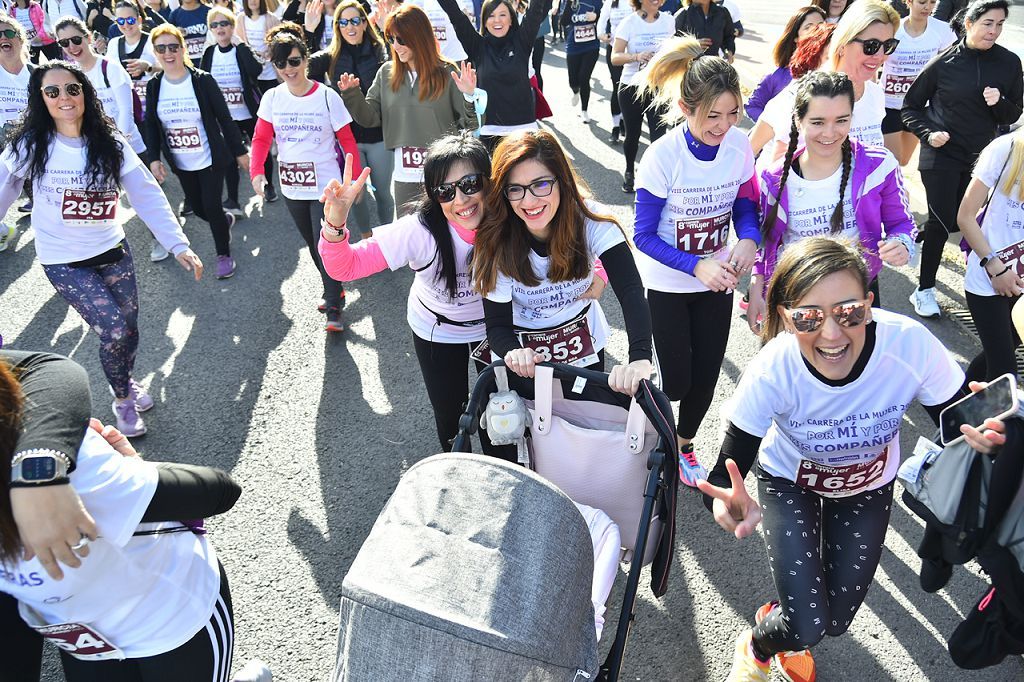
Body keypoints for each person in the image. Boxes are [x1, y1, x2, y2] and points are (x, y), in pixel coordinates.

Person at [697, 237, 965, 682]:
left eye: (849, 312)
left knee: (835, 621)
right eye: (808, 318)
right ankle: (760, 645)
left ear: (870, 304)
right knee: (808, 624)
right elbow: (724, 476)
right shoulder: (773, 368)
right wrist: (723, 504)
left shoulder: (909, 345)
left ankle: (785, 613)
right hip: (791, 481)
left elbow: (960, 426)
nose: (832, 334)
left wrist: (985, 440)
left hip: (867, 483)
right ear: (785, 317)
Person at [0, 351, 259, 681]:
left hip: (173, 623)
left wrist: (41, 474)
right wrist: (134, 472)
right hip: (87, 642)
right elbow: (216, 491)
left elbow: (222, 491)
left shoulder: (77, 467)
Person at [1, 61, 203, 434]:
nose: (64, 98)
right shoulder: (30, 145)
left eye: (72, 89)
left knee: (129, 328)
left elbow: (145, 193)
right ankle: (123, 401)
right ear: (40, 98)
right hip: (64, 260)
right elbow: (2, 189)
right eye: (53, 91)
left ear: (85, 94)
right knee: (113, 330)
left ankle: (123, 380)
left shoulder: (109, 142)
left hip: (112, 250)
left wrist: (178, 244)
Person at [319, 134, 506, 450]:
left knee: (501, 415)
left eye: (471, 183)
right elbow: (345, 268)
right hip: (438, 329)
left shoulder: (510, 216)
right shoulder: (418, 230)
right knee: (450, 418)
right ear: (434, 197)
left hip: (495, 328)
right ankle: (457, 476)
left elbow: (570, 223)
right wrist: (334, 225)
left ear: (490, 181)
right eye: (445, 191)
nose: (460, 199)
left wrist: (596, 271)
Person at [631, 36, 758, 487]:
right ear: (687, 109)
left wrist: (749, 238)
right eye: (712, 116)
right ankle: (651, 430)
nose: (723, 126)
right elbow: (643, 235)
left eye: (732, 113)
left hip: (718, 280)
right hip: (668, 283)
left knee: (706, 377)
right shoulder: (663, 156)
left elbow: (746, 202)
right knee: (679, 382)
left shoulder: (740, 144)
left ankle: (682, 446)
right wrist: (694, 265)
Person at [471, 130, 654, 399]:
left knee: (585, 423)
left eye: (541, 184)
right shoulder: (496, 239)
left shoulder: (594, 221)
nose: (529, 201)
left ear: (562, 181)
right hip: (526, 358)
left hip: (583, 344)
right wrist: (513, 351)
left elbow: (631, 292)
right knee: (534, 433)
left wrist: (640, 358)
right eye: (515, 189)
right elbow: (497, 324)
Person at [747, 71, 914, 333]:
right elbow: (767, 240)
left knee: (857, 369)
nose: (830, 132)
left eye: (841, 120)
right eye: (817, 122)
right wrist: (758, 283)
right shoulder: (774, 177)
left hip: (857, 294)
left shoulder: (879, 165)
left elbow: (902, 223)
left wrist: (902, 245)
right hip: (797, 296)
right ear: (798, 121)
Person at [902, 0, 1022, 319]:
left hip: (981, 160)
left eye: (999, 24)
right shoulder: (943, 63)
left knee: (967, 222)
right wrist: (929, 133)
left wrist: (1000, 103)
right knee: (943, 223)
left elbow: (1014, 113)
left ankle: (975, 280)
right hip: (940, 155)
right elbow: (910, 107)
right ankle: (924, 289)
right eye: (987, 23)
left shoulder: (1009, 63)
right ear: (969, 24)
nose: (993, 30)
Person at [250, 32, 361, 331]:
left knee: (323, 241)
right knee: (313, 246)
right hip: (292, 186)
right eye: (281, 63)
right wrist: (256, 172)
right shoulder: (273, 98)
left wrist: (352, 182)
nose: (289, 68)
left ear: (306, 60)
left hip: (326, 186)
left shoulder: (327, 96)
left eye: (294, 61)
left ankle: (334, 307)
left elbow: (347, 141)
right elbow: (261, 138)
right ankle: (334, 287)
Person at [336, 4, 478, 215]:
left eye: (401, 40)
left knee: (444, 237)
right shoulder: (386, 73)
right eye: (391, 40)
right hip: (405, 176)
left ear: (419, 37)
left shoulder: (447, 72)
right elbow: (370, 118)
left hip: (443, 174)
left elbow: (470, 124)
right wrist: (351, 95)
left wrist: (469, 95)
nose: (396, 46)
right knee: (409, 240)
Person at [145, 24, 249, 279]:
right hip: (181, 161)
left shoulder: (202, 81)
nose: (168, 53)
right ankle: (223, 223)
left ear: (182, 49)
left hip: (210, 157)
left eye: (173, 47)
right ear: (155, 52)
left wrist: (239, 151)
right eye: (161, 48)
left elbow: (225, 119)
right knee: (201, 209)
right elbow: (151, 124)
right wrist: (154, 158)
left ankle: (224, 255)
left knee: (212, 206)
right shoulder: (155, 85)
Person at [750, 0, 897, 165]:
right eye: (872, 45)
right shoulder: (802, 93)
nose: (880, 56)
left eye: (889, 45)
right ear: (843, 44)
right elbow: (749, 151)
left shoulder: (875, 95)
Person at [315, 0, 391, 238]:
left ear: (364, 24)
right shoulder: (331, 56)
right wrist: (309, 30)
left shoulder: (381, 50)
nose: (351, 26)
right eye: (344, 22)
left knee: (383, 193)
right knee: (356, 195)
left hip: (379, 136)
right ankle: (367, 236)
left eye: (355, 20)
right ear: (337, 26)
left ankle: (386, 236)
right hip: (349, 140)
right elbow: (302, 69)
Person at [957, 127, 1024, 383]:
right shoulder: (1004, 149)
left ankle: (955, 405)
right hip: (989, 278)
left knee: (998, 354)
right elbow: (965, 216)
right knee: (1004, 372)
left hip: (1021, 286)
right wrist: (995, 268)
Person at [438, 0, 549, 147]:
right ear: (484, 21)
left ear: (511, 19)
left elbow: (536, 9)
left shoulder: (522, 41)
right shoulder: (477, 46)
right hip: (488, 133)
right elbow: (454, 13)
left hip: (523, 131)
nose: (497, 20)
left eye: (502, 14)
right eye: (491, 15)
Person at [55, 18, 148, 165]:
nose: (72, 46)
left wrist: (117, 145)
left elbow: (126, 111)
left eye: (76, 39)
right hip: (98, 152)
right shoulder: (70, 75)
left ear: (89, 37)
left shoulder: (109, 67)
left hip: (128, 149)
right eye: (64, 43)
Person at [201, 5, 263, 216]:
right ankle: (233, 201)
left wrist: (241, 45)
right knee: (229, 157)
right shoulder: (209, 53)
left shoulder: (240, 49)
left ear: (232, 26)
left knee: (260, 151)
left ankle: (269, 186)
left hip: (247, 112)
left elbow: (256, 71)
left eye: (224, 23)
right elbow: (202, 82)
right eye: (214, 25)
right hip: (225, 117)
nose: (220, 28)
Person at [880, 0, 956, 166]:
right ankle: (895, 191)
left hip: (918, 106)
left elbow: (948, 66)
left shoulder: (942, 30)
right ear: (909, 2)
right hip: (890, 104)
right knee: (892, 161)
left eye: (932, 2)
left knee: (904, 161)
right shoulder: (892, 29)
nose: (927, 7)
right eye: (922, 2)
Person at [610, 0, 674, 193]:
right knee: (633, 134)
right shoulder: (629, 22)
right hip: (632, 87)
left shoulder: (669, 21)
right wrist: (636, 57)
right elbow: (615, 57)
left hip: (659, 87)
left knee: (658, 137)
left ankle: (654, 176)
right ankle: (630, 171)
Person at [744, 5, 825, 122]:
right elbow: (753, 107)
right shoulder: (777, 75)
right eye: (808, 27)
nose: (817, 31)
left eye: (821, 25)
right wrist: (775, 127)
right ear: (796, 37)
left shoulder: (836, 70)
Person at [0, 14, 33, 251]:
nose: (3, 37)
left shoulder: (38, 74)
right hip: (3, 144)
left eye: (9, 33)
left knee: (40, 196)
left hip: (35, 144)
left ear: (20, 40)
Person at [561, 0, 601, 123]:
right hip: (574, 46)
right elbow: (563, 21)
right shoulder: (571, 2)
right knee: (573, 81)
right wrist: (569, 3)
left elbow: (607, 20)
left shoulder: (597, 2)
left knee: (584, 77)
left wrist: (596, 17)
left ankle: (584, 110)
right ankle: (575, 91)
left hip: (591, 46)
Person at [597, 0, 631, 142]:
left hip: (633, 50)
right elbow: (601, 22)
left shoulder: (636, 2)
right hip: (615, 50)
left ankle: (626, 120)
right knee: (617, 86)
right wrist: (602, 35)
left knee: (629, 88)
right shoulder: (611, 2)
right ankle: (616, 126)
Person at [234, 0, 282, 95]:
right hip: (253, 73)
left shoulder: (272, 19)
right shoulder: (241, 19)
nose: (253, 1)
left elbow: (279, 44)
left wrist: (268, 53)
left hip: (270, 71)